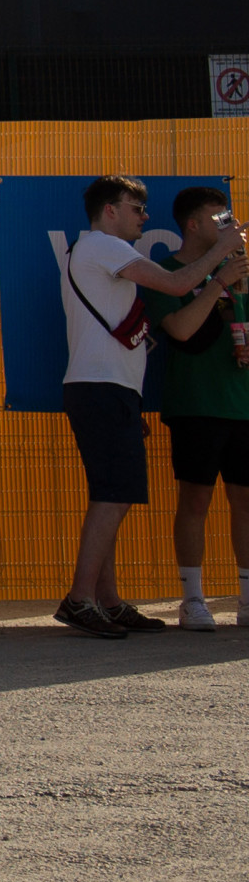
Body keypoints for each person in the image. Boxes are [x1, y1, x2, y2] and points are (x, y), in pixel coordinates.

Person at [58, 174, 238, 635]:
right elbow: (177, 284)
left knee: (112, 493)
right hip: (101, 387)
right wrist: (223, 255)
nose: (145, 217)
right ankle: (80, 598)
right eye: (136, 208)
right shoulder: (105, 245)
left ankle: (108, 600)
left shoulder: (96, 250)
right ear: (110, 210)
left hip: (110, 387)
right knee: (113, 496)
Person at [148, 186, 249, 630]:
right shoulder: (164, 271)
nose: (231, 228)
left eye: (231, 221)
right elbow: (181, 331)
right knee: (196, 499)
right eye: (219, 219)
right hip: (196, 403)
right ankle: (192, 599)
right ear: (192, 224)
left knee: (246, 499)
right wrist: (218, 282)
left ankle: (247, 599)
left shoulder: (243, 271)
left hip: (242, 402)